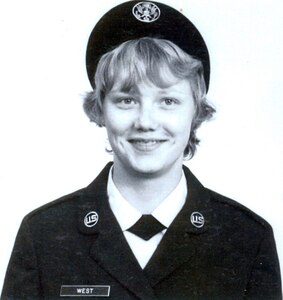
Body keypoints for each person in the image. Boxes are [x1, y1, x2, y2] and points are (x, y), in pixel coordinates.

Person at [1, 1, 282, 299]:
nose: (146, 122)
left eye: (168, 101)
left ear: (196, 112)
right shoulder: (43, 235)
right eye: (126, 100)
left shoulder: (246, 238)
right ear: (100, 110)